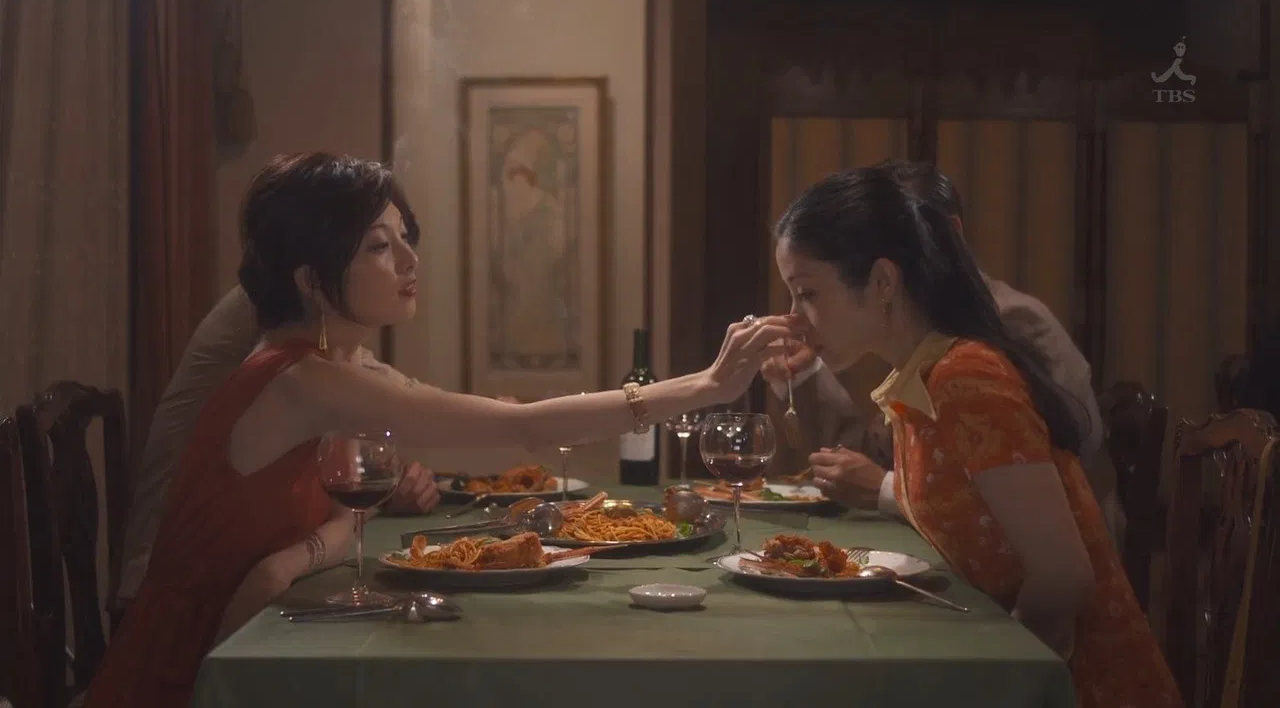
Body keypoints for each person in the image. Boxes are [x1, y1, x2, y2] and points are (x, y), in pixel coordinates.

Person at [85, 153, 794, 708]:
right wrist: (706, 386)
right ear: (310, 278)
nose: (409, 261)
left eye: (405, 239)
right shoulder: (301, 381)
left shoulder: (321, 371)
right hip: (180, 678)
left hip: (232, 646)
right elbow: (524, 427)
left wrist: (292, 559)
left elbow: (342, 521)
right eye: (377, 246)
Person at [772, 166, 1179, 706]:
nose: (795, 320)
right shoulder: (923, 374)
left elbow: (1062, 578)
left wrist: (996, 682)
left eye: (806, 294)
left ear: (883, 282)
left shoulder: (964, 377)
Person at [763, 160, 1122, 546]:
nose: (793, 318)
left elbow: (1047, 521)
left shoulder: (974, 359)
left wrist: (888, 490)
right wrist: (802, 375)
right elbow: (874, 459)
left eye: (807, 294)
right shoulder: (917, 353)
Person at [114, 284, 442, 618]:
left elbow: (342, 511)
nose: (409, 263)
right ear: (313, 277)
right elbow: (410, 409)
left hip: (249, 587)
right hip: (187, 604)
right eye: (380, 253)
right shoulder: (288, 358)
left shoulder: (330, 346)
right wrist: (278, 571)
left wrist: (286, 564)